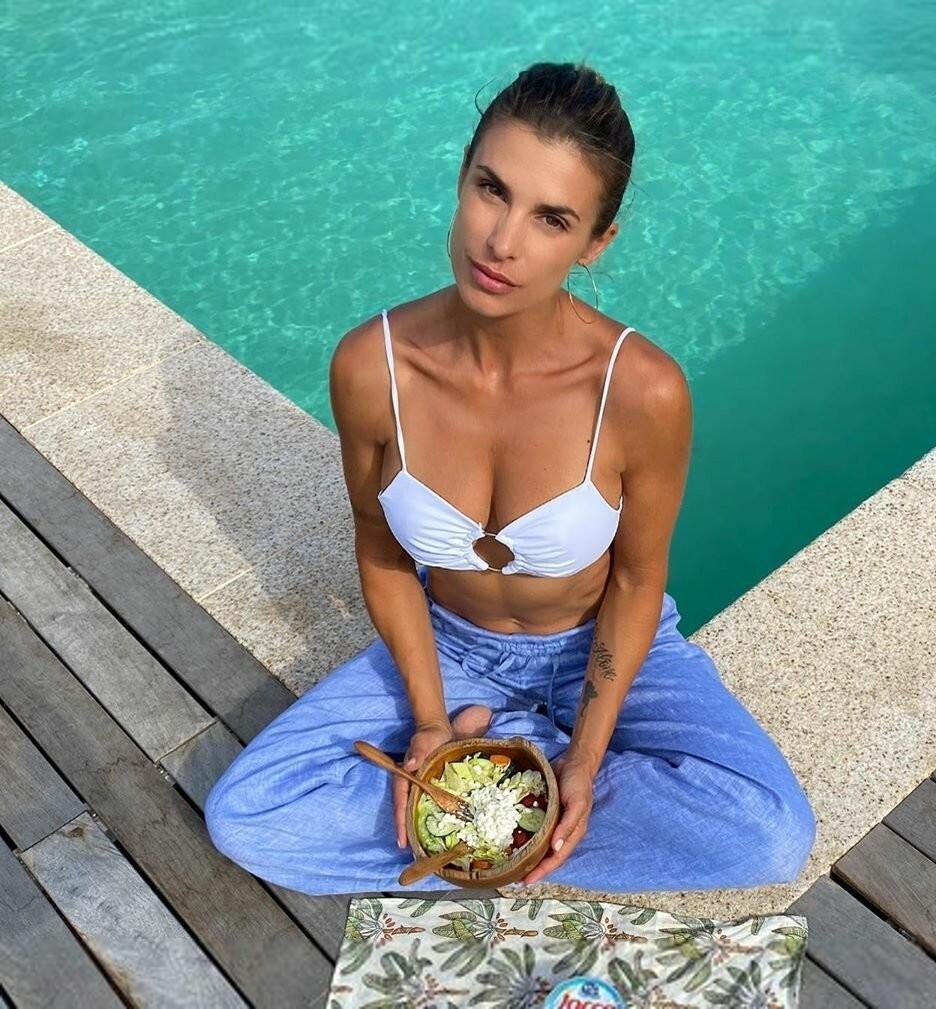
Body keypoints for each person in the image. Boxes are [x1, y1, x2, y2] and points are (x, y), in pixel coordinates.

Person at [205, 61, 816, 896]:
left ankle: (501, 804)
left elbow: (637, 581)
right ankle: (512, 799)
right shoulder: (372, 366)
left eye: (551, 218)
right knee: (248, 815)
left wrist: (587, 758)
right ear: (462, 176)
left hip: (597, 645)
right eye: (492, 190)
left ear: (595, 242)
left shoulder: (642, 390)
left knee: (771, 834)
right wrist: (429, 724)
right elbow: (382, 554)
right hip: (451, 647)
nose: (502, 241)